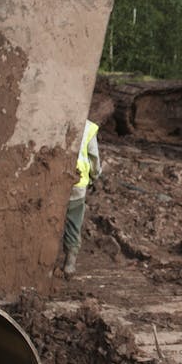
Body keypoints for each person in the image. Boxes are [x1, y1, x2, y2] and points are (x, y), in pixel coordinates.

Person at [61, 119, 101, 278]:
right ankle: (70, 263)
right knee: (73, 221)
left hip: (54, 179)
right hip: (78, 182)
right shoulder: (88, 127)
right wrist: (94, 176)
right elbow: (94, 159)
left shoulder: (58, 118)